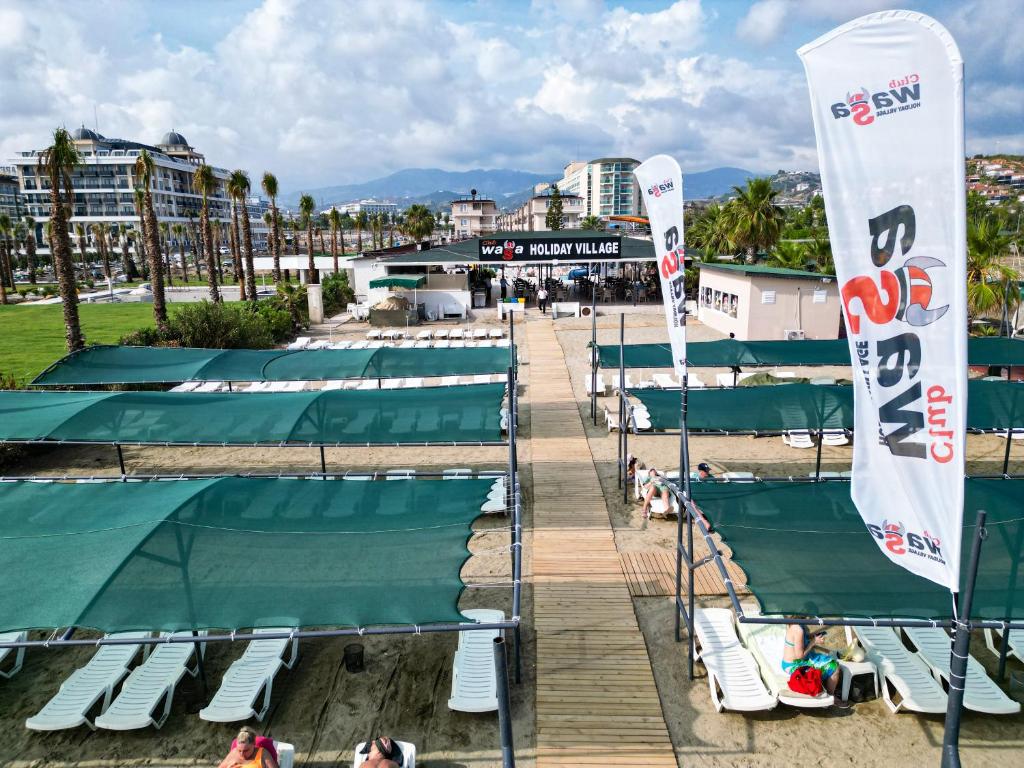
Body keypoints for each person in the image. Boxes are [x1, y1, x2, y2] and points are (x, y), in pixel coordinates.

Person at [782, 622, 847, 705]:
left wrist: (813, 636)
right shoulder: (798, 630)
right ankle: (830, 697)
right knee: (834, 667)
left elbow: (801, 640)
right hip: (794, 665)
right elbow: (799, 657)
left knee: (828, 660)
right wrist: (813, 642)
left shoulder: (796, 624)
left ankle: (828, 691)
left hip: (791, 662)